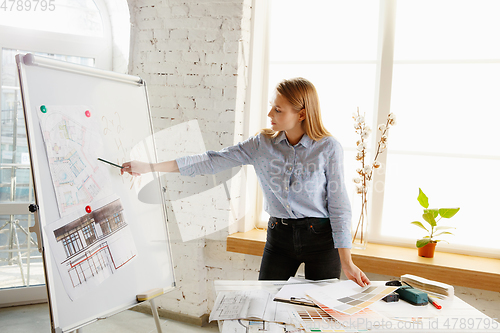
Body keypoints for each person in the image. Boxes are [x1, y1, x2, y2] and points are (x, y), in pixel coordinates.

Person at [121, 77, 370, 287]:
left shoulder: (328, 148)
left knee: (318, 312)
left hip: (321, 239)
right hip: (279, 236)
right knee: (264, 307)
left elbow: (339, 205)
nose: (270, 114)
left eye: (278, 110)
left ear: (302, 114)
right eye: (273, 107)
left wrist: (346, 261)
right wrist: (151, 168)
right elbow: (211, 160)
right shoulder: (261, 145)